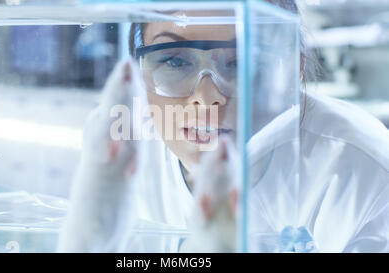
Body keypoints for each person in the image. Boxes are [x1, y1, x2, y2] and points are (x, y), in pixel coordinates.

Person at [59, 0, 389, 253]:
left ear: (294, 71)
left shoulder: (361, 171)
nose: (207, 98)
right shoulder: (120, 143)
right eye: (173, 60)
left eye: (242, 63)